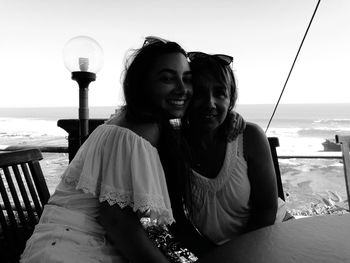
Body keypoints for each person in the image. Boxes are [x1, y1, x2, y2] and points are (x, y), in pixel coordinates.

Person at [20, 36, 193, 263]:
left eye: (187, 79)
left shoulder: (138, 122)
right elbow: (117, 221)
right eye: (167, 79)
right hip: (74, 250)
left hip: (59, 241)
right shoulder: (137, 128)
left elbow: (144, 223)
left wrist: (185, 259)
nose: (182, 88)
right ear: (143, 83)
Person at [167, 51, 286, 258]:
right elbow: (178, 221)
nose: (210, 103)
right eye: (199, 93)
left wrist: (237, 255)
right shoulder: (172, 147)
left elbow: (266, 210)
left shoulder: (250, 138)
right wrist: (216, 257)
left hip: (270, 239)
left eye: (220, 93)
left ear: (230, 100)